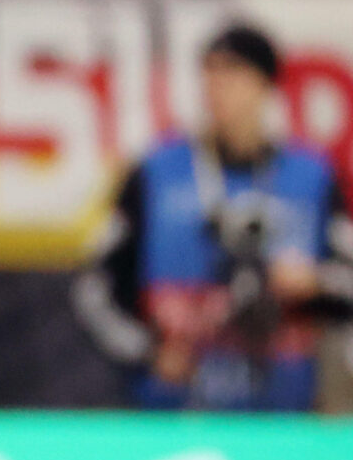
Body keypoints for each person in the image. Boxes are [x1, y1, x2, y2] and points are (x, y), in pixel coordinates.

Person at [75, 23, 353, 412]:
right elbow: (92, 289)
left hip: (285, 415)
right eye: (209, 71)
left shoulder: (311, 177)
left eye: (233, 72)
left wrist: (315, 283)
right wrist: (147, 352)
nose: (216, 86)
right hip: (177, 410)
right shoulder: (158, 173)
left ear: (265, 86)